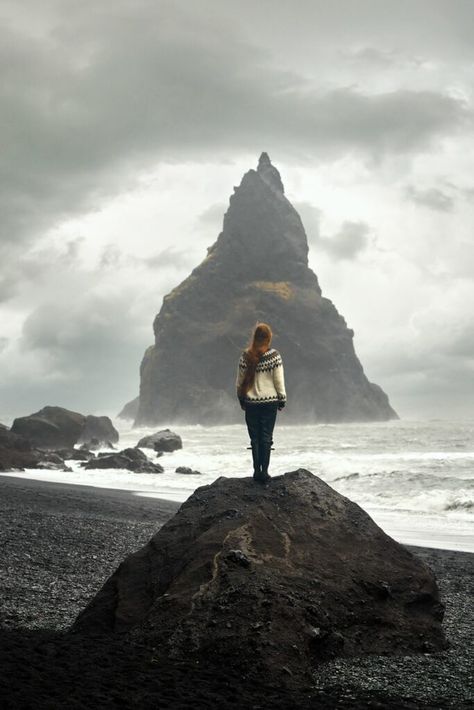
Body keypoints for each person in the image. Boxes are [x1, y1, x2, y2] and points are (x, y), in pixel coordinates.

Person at [235, 322, 287, 484]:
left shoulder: (245, 356)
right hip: (269, 402)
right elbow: (278, 380)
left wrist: (241, 399)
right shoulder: (274, 356)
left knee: (255, 438)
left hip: (251, 403)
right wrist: (282, 398)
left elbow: (239, 382)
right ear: (269, 338)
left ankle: (256, 471)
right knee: (266, 437)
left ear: (254, 337)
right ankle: (264, 472)